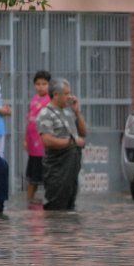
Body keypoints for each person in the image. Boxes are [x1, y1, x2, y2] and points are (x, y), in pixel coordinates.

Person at [36, 78, 87, 211]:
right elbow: (47, 140)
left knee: (70, 206)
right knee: (56, 208)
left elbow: (83, 132)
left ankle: (67, 231)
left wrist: (77, 111)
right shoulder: (46, 113)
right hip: (57, 170)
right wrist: (72, 142)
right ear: (56, 95)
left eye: (70, 93)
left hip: (71, 169)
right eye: (66, 94)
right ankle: (56, 231)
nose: (69, 97)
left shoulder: (68, 112)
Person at [25, 70, 52, 206]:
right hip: (33, 146)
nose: (40, 86)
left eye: (44, 84)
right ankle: (29, 201)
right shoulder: (34, 99)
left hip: (44, 146)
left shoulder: (50, 100)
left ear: (49, 85)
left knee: (47, 176)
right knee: (32, 177)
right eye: (38, 84)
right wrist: (26, 140)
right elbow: (29, 121)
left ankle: (50, 202)